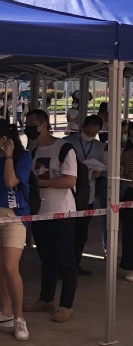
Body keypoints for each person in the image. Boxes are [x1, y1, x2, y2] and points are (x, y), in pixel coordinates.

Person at [23, 109, 78, 322]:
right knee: (46, 258)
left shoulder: (64, 148)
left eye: (32, 123)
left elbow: (69, 181)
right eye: (26, 123)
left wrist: (41, 183)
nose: (28, 127)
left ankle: (66, 304)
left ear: (44, 125)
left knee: (66, 260)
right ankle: (46, 299)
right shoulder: (33, 151)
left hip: (62, 211)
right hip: (40, 213)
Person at [0, 119, 32, 342]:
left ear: (4, 139)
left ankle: (19, 318)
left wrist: (9, 156)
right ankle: (6, 312)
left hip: (14, 215)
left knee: (11, 267)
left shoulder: (22, 157)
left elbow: (10, 181)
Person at [63, 115, 107, 276]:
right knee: (66, 231)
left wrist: (97, 172)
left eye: (94, 133)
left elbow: (101, 167)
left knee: (81, 232)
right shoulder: (67, 142)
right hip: (68, 191)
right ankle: (63, 265)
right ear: (82, 127)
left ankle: (75, 263)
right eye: (88, 132)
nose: (90, 135)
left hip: (88, 192)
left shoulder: (99, 146)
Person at [118, 128, 133, 281]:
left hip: (130, 191)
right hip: (131, 192)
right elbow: (121, 173)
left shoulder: (126, 153)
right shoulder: (127, 153)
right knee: (129, 233)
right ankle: (130, 267)